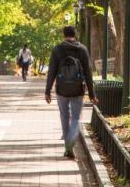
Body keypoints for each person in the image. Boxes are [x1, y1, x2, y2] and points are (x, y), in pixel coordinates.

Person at [45, 26, 96, 159]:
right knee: (76, 118)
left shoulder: (57, 49)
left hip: (61, 89)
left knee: (64, 116)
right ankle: (70, 142)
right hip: (78, 89)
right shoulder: (82, 49)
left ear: (64, 35)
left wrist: (47, 91)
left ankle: (68, 147)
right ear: (75, 34)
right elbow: (88, 73)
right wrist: (92, 94)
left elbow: (52, 71)